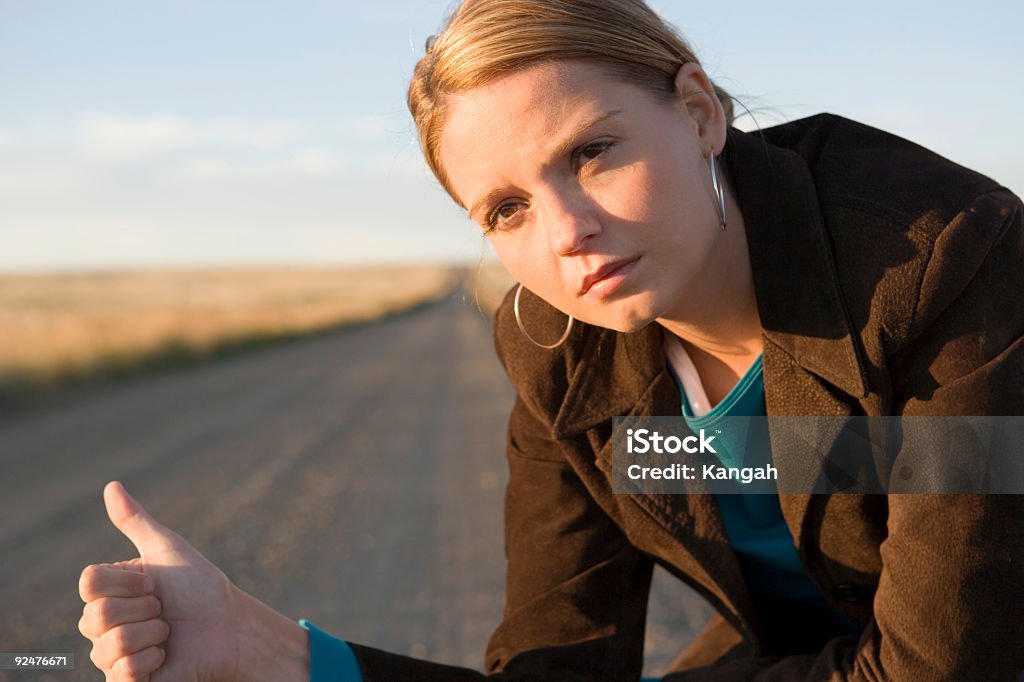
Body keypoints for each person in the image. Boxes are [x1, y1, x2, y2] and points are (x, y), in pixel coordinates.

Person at [77, 0, 1024, 679]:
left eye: (591, 152)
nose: (567, 231)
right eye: (507, 209)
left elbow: (948, 662)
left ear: (698, 112)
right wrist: (281, 655)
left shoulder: (939, 254)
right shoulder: (558, 354)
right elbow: (558, 660)